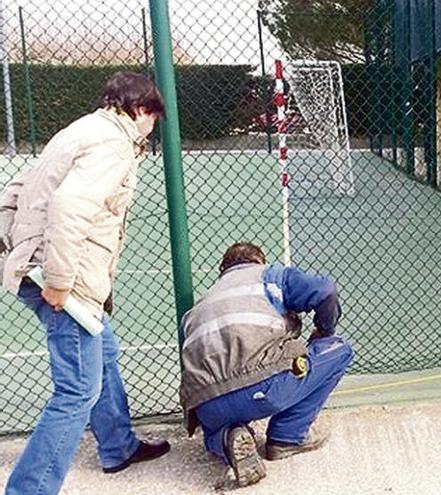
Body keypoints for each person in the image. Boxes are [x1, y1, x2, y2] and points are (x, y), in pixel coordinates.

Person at [0, 72, 170, 495]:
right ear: (142, 109)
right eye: (154, 118)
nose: (152, 129)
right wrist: (57, 282)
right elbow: (70, 205)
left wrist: (10, 244)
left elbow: (16, 187)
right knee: (77, 391)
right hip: (62, 279)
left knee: (103, 350)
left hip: (37, 265)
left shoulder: (79, 129)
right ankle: (30, 490)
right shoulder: (114, 143)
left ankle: (117, 447)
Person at [179, 242, 353, 487]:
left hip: (207, 404)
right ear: (259, 261)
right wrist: (323, 330)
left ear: (223, 269)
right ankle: (287, 436)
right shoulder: (271, 276)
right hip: (261, 387)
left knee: (213, 431)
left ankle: (228, 438)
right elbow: (325, 290)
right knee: (339, 350)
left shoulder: (197, 308)